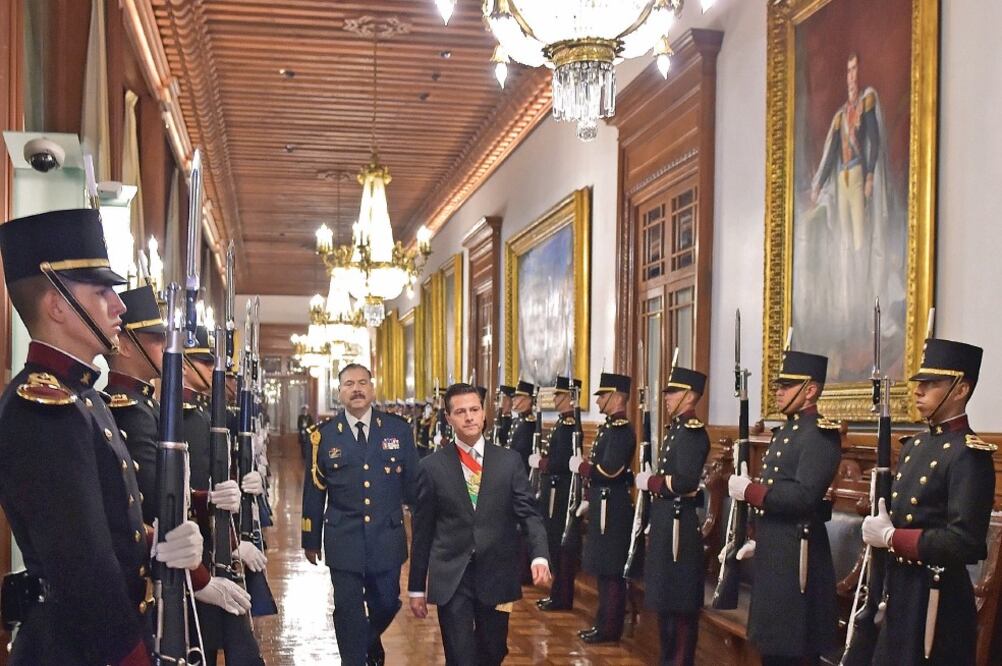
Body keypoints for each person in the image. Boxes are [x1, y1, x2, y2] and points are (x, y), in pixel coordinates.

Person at [0, 209, 203, 665]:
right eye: (102, 291)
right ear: (57, 305)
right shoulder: (43, 409)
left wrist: (154, 540)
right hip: (78, 647)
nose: (120, 305)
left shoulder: (80, 396)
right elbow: (81, 568)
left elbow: (108, 525)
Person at [864, 338, 994, 665]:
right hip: (901, 587)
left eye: (931, 384)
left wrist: (893, 537)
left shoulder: (969, 454)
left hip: (937, 595)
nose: (918, 391)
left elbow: (965, 542)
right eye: (919, 383)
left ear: (961, 389)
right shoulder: (915, 445)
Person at [407, 383, 551, 666]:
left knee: (493, 651)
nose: (469, 417)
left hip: (497, 573)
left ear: (484, 413)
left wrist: (540, 554)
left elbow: (529, 514)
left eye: (474, 410)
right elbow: (422, 531)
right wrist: (416, 588)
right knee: (460, 655)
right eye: (460, 412)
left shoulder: (509, 462)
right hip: (452, 575)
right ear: (448, 418)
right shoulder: (431, 467)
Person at [728, 350, 842, 666]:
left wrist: (750, 490)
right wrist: (757, 534)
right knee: (774, 649)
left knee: (794, 649)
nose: (778, 390)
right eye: (779, 384)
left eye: (787, 385)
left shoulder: (820, 434)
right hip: (775, 550)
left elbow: (804, 496)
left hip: (798, 554)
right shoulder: (786, 432)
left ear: (810, 390)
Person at [302, 363, 419, 666]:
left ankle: (367, 640)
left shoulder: (398, 430)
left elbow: (414, 486)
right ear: (339, 392)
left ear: (372, 388)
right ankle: (353, 660)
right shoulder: (323, 437)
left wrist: (426, 532)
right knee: (347, 607)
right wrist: (310, 539)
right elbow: (314, 490)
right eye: (349, 384)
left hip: (387, 535)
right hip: (344, 537)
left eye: (362, 383)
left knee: (387, 602)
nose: (356, 389)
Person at [181, 325, 265, 666]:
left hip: (209, 544)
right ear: (185, 364)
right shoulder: (184, 417)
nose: (218, 372)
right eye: (205, 362)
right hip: (192, 553)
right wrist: (230, 544)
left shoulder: (200, 414)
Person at [635, 365, 710, 666]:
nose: (667, 398)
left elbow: (684, 482)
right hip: (667, 521)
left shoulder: (692, 433)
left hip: (680, 526)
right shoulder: (677, 430)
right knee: (665, 602)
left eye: (673, 393)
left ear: (690, 396)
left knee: (679, 605)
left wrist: (651, 482)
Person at [571, 372, 636, 643]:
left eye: (602, 396)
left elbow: (609, 469)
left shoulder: (621, 430)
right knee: (602, 568)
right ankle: (603, 623)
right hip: (602, 500)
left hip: (614, 504)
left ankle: (610, 627)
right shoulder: (609, 427)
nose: (597, 402)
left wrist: (583, 467)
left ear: (617, 397)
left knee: (611, 569)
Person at [528, 375, 581, 611]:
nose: (555, 398)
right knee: (554, 543)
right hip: (554, 489)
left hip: (562, 492)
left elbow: (563, 461)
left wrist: (542, 463)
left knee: (561, 545)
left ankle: (562, 596)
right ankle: (556, 593)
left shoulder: (570, 424)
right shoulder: (562, 423)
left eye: (559, 394)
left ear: (570, 397)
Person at [507, 380, 536, 472]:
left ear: (528, 399)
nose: (514, 400)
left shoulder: (529, 423)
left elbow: (522, 451)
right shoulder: (517, 421)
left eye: (518, 396)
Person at [494, 384, 515, 448]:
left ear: (509, 402)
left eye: (501, 399)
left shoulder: (510, 423)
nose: (497, 404)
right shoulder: (499, 420)